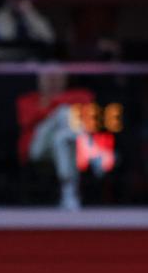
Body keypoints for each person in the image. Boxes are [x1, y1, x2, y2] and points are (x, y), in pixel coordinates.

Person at [16, 66, 96, 210]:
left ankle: (68, 193)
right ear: (39, 80)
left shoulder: (79, 94)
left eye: (57, 78)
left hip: (64, 145)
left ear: (65, 80)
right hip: (38, 148)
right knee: (64, 112)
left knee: (61, 138)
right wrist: (57, 106)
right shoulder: (27, 100)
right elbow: (27, 120)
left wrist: (50, 105)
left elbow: (88, 101)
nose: (52, 82)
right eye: (48, 78)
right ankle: (91, 148)